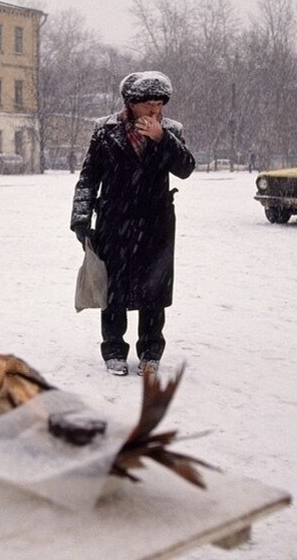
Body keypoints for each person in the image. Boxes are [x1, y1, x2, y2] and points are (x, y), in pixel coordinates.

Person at [70, 71, 196, 377]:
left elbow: (185, 168)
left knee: (154, 290)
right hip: (115, 221)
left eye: (160, 104)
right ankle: (114, 350)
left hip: (156, 224)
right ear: (131, 104)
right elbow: (88, 178)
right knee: (113, 289)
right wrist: (81, 219)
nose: (155, 110)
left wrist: (161, 139)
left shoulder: (171, 131)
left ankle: (150, 352)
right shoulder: (105, 130)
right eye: (148, 104)